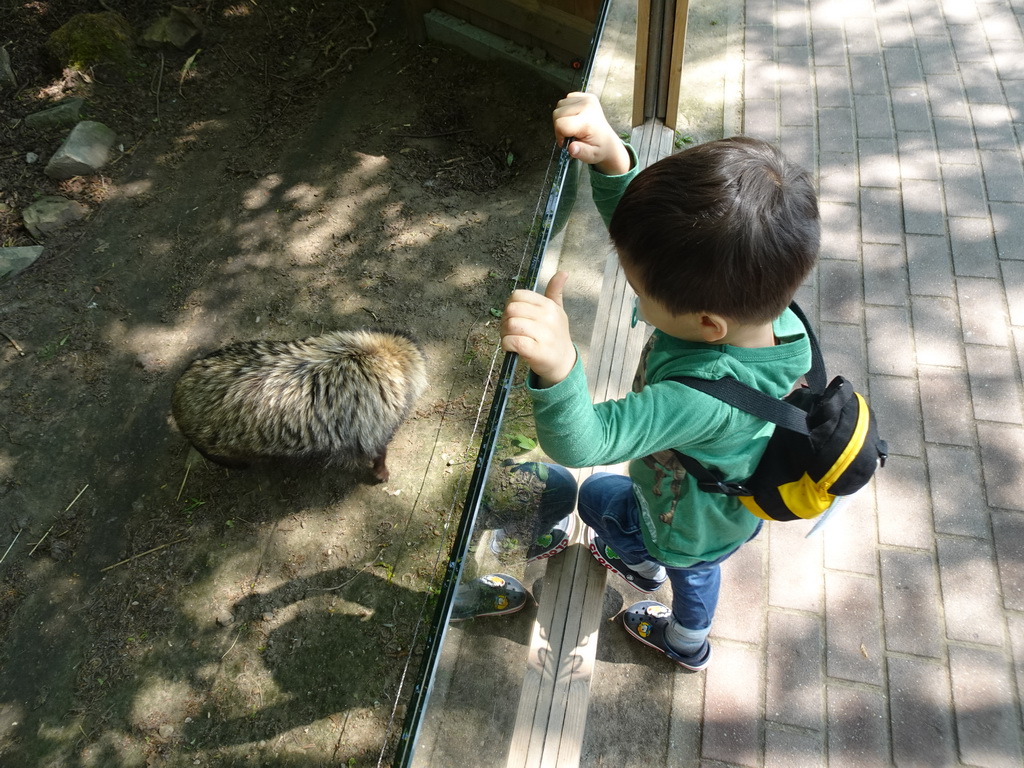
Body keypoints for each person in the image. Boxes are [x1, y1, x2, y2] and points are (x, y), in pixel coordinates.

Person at [499, 92, 819, 670]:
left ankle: (685, 636)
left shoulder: (701, 398)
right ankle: (654, 578)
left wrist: (559, 365)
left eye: (640, 295)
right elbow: (668, 248)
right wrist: (614, 162)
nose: (636, 300)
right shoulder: (769, 309)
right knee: (668, 543)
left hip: (688, 523)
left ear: (705, 325)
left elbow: (586, 443)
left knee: (623, 518)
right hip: (728, 501)